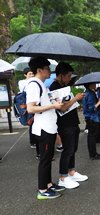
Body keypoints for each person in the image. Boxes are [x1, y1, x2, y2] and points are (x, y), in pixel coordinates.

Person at [26, 57, 64, 200]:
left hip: (49, 127)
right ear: (39, 70)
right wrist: (53, 106)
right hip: (43, 128)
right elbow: (31, 108)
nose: (50, 71)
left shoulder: (41, 84)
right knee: (45, 159)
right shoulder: (34, 84)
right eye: (47, 68)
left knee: (48, 157)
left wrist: (54, 102)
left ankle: (48, 184)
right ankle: (42, 190)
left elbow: (43, 103)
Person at [49, 62, 88, 189]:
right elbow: (62, 108)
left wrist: (75, 101)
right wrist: (75, 99)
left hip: (72, 122)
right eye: (69, 75)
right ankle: (63, 177)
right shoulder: (54, 87)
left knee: (73, 148)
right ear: (61, 75)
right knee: (68, 149)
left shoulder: (64, 86)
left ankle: (71, 171)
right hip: (64, 124)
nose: (70, 78)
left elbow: (67, 105)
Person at [82, 83, 100, 160]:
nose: (95, 84)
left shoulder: (86, 93)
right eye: (93, 83)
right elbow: (91, 108)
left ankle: (93, 153)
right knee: (92, 137)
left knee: (91, 136)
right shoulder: (90, 94)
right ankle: (93, 154)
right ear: (89, 84)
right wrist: (99, 102)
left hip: (89, 118)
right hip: (92, 118)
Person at [18, 67, 37, 149]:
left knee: (35, 122)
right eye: (29, 74)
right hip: (27, 105)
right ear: (25, 75)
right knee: (31, 122)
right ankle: (32, 142)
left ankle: (36, 140)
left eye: (33, 73)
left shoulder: (34, 81)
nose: (32, 75)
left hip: (34, 103)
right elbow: (24, 90)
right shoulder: (22, 82)